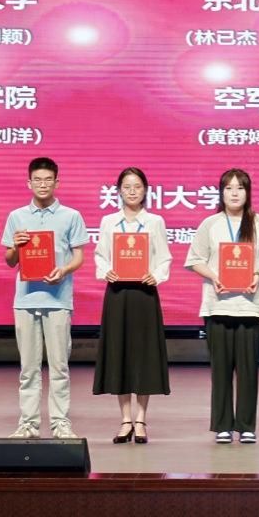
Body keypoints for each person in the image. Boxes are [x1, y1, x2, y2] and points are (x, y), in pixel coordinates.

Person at [184, 169, 259, 444]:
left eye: (240, 188)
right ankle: (223, 425)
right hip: (217, 307)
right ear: (221, 192)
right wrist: (214, 276)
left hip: (250, 307)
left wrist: (257, 275)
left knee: (248, 371)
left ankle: (247, 425)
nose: (234, 193)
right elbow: (195, 259)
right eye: (229, 188)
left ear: (248, 192)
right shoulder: (210, 224)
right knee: (221, 370)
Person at [1, 157, 89, 440]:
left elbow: (79, 257)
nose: (42, 184)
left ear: (56, 182)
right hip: (26, 300)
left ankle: (60, 422)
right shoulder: (17, 217)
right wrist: (17, 246)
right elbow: (9, 261)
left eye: (48, 179)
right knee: (28, 368)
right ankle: (28, 423)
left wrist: (64, 270)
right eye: (37, 180)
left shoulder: (71, 216)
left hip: (58, 300)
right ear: (29, 183)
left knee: (59, 367)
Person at [93, 167, 172, 445]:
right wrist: (106, 271)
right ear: (118, 191)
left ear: (146, 190)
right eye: (126, 187)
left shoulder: (155, 221)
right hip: (118, 294)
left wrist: (156, 275)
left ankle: (141, 419)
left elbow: (164, 257)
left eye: (137, 186)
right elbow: (100, 255)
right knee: (120, 354)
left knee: (143, 357)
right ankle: (125, 419)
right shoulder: (109, 221)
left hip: (144, 295)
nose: (132, 191)